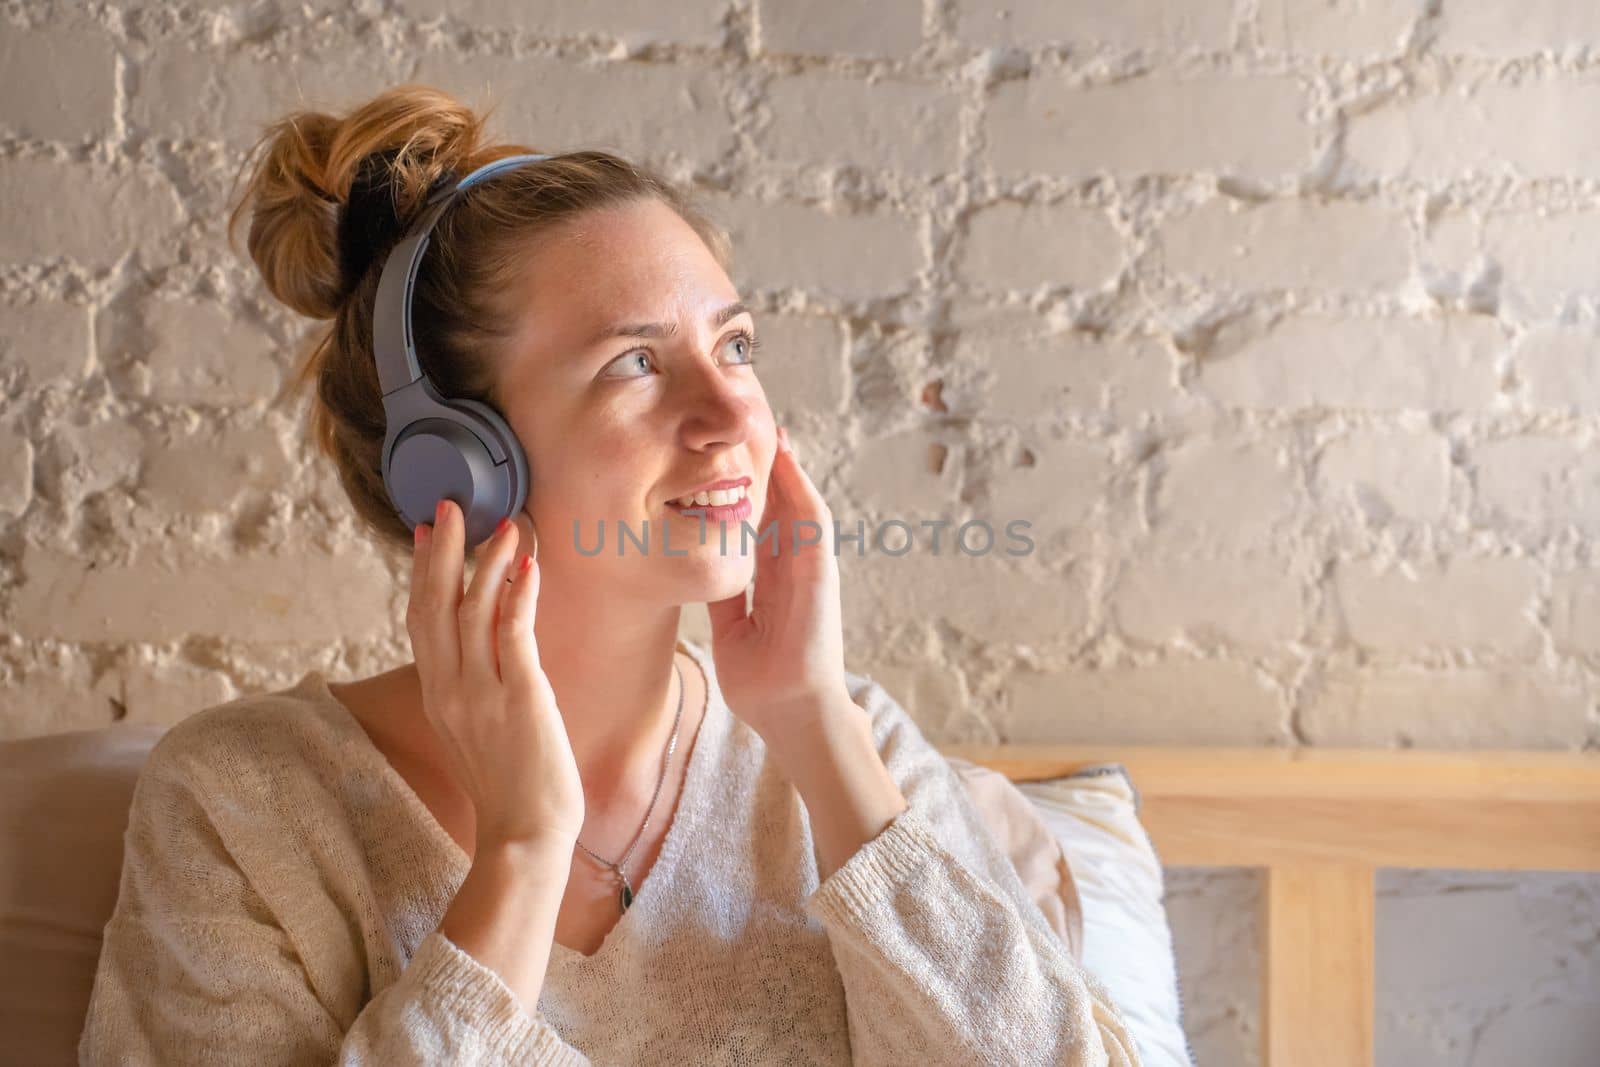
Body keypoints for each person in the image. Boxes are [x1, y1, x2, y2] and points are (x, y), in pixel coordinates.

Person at [78, 83, 1140, 1065]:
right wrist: (522, 852)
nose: (733, 418)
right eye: (635, 362)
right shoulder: (247, 802)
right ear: (457, 459)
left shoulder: (848, 747)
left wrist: (814, 725)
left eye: (735, 346)